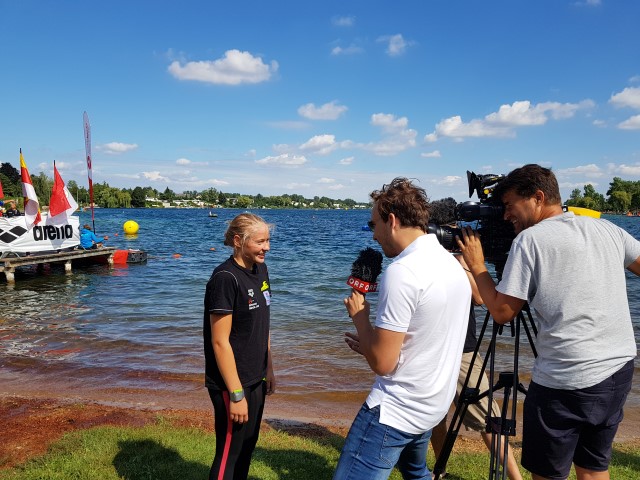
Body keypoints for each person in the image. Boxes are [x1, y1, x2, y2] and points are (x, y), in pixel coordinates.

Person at [457, 164, 640, 480]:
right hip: (618, 368)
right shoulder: (607, 228)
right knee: (594, 468)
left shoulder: (530, 240)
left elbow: (502, 312)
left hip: (567, 377)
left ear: (538, 197)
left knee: (548, 473)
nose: (505, 215)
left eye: (510, 205)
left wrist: (476, 265)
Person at [333, 178, 471, 480]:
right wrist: (370, 343)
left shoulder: (402, 272)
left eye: (374, 225)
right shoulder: (453, 264)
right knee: (416, 473)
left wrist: (360, 318)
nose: (373, 234)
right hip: (432, 404)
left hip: (397, 410)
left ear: (392, 221)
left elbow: (384, 364)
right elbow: (426, 339)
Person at [428, 199, 523, 480]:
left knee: (486, 416)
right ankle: (440, 470)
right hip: (436, 348)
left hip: (462, 349)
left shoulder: (459, 259)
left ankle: (515, 478)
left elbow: (480, 297)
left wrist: (464, 258)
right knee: (436, 415)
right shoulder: (428, 257)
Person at [203, 213, 276, 480]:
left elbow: (263, 324)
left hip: (256, 376)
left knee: (247, 447)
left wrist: (269, 368)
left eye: (268, 240)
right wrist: (235, 394)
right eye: (260, 242)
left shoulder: (261, 270)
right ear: (238, 241)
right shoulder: (225, 278)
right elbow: (219, 341)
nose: (267, 247)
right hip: (231, 383)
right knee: (229, 453)